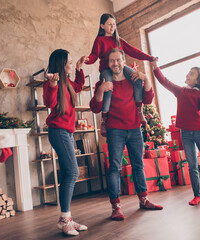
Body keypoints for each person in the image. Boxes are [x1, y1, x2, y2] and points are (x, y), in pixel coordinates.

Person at [90, 48, 163, 221]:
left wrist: (146, 80)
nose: (115, 63)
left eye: (118, 60)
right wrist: (101, 90)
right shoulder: (104, 81)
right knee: (115, 168)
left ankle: (144, 200)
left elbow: (147, 99)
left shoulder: (133, 80)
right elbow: (95, 107)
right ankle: (116, 207)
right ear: (108, 64)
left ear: (123, 61)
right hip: (115, 130)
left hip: (135, 128)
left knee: (138, 165)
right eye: (112, 61)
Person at [151, 60, 200, 206]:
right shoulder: (181, 91)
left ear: (198, 80)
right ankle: (197, 196)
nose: (188, 75)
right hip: (186, 133)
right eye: (189, 73)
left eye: (191, 74)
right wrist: (154, 67)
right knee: (192, 165)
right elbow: (165, 82)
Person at [85, 13, 158, 137]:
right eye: (109, 24)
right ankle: (104, 118)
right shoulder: (100, 40)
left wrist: (150, 58)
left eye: (114, 24)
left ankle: (139, 111)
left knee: (137, 78)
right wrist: (86, 60)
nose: (112, 27)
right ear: (102, 25)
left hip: (122, 69)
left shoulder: (119, 41)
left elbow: (134, 51)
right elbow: (93, 55)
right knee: (108, 87)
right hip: (106, 70)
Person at [43, 49, 89, 236]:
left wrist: (79, 68)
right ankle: (64, 219)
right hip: (58, 132)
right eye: (69, 62)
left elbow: (78, 85)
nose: (71, 64)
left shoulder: (68, 82)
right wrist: (52, 84)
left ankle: (67, 218)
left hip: (67, 133)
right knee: (73, 172)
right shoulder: (51, 82)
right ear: (61, 64)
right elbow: (49, 103)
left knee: (67, 174)